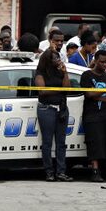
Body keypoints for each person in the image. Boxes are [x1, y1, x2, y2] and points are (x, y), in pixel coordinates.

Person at [80, 50, 106, 183]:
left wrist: (101, 98)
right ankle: (95, 172)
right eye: (101, 61)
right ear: (95, 60)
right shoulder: (87, 75)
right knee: (94, 143)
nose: (104, 64)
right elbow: (89, 94)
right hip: (92, 116)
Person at [34, 49, 72, 182]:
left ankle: (61, 172)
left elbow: (67, 88)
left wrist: (65, 73)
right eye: (55, 58)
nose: (58, 60)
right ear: (48, 61)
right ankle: (49, 172)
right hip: (47, 109)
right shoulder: (40, 73)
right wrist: (60, 90)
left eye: (58, 58)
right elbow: (42, 91)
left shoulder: (60, 72)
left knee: (61, 142)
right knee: (47, 142)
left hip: (61, 108)